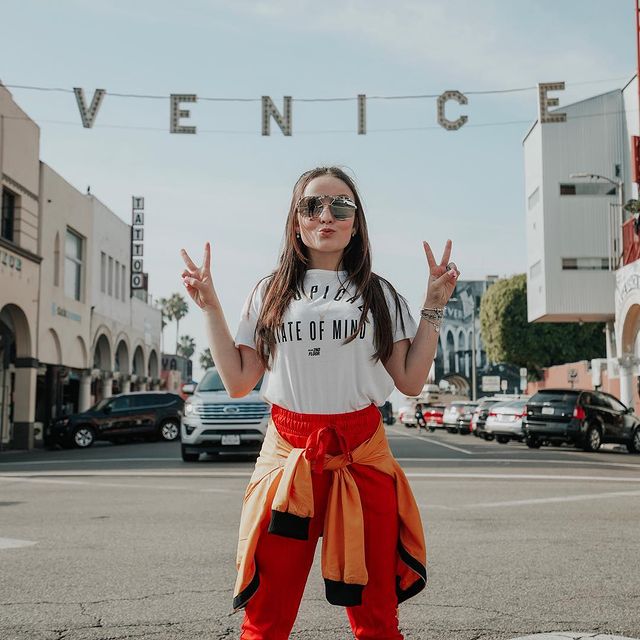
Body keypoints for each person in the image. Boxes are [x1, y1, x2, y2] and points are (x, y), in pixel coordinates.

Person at [179, 166, 459, 639]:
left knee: (376, 619)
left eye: (340, 206)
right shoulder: (270, 293)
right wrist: (209, 307)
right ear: (296, 222)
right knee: (266, 617)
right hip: (289, 458)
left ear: (356, 222)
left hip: (362, 455)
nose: (326, 215)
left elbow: (411, 380)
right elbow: (238, 380)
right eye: (312, 206)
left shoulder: (379, 294)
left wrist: (434, 303)